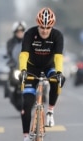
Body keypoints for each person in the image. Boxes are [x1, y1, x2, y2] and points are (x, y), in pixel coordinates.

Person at [18, 7, 65, 141]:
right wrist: (23, 71)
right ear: (38, 25)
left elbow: (58, 57)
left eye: (48, 28)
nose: (44, 30)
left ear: (52, 26)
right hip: (32, 68)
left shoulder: (57, 36)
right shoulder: (29, 34)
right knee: (26, 104)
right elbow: (24, 55)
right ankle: (26, 136)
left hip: (49, 66)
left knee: (57, 80)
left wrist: (60, 72)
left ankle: (50, 111)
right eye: (42, 27)